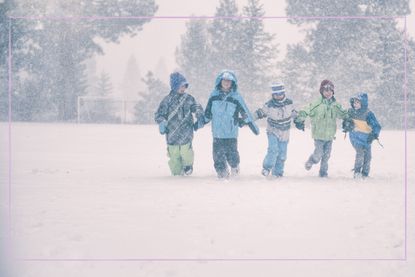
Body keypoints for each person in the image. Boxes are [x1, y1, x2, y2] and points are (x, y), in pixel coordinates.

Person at [204, 70, 259, 178]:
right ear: (220, 81)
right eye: (225, 80)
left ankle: (235, 167)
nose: (226, 83)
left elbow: (245, 112)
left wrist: (252, 125)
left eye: (229, 81)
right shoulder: (214, 95)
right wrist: (199, 123)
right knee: (218, 156)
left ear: (233, 83)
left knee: (232, 155)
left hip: (231, 132)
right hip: (217, 133)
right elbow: (207, 113)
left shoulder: (236, 97)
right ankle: (222, 172)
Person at [294, 79, 348, 177]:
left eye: (330, 91)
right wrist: (300, 119)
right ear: (321, 92)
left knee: (326, 156)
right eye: (326, 91)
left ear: (333, 92)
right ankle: (311, 160)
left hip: (330, 136)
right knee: (318, 154)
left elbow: (343, 114)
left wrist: (348, 120)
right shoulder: (317, 104)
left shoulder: (335, 105)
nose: (328, 93)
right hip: (318, 135)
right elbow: (306, 110)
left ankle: (323, 173)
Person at [154, 72, 204, 176]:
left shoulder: (189, 98)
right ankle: (177, 172)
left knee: (186, 152)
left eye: (185, 86)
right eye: (180, 86)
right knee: (174, 155)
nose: (183, 88)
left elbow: (196, 107)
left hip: (186, 132)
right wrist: (162, 122)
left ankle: (188, 166)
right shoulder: (167, 100)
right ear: (174, 86)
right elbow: (159, 114)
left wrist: (199, 114)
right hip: (172, 133)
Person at [253, 82, 297, 178]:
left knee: (282, 154)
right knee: (273, 150)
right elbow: (261, 112)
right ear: (273, 95)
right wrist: (251, 118)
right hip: (273, 131)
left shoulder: (289, 103)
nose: (278, 96)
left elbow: (294, 113)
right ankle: (267, 168)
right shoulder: (269, 105)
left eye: (280, 94)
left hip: (285, 132)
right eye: (276, 94)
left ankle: (277, 172)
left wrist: (298, 120)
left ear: (284, 93)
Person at [342, 92, 381, 178]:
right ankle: (357, 172)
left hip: (367, 139)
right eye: (354, 102)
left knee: (368, 156)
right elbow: (345, 121)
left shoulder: (368, 114)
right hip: (355, 138)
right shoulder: (351, 112)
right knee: (360, 153)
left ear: (363, 103)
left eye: (357, 102)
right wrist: (346, 125)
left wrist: (374, 134)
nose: (355, 104)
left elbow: (376, 126)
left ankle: (365, 173)